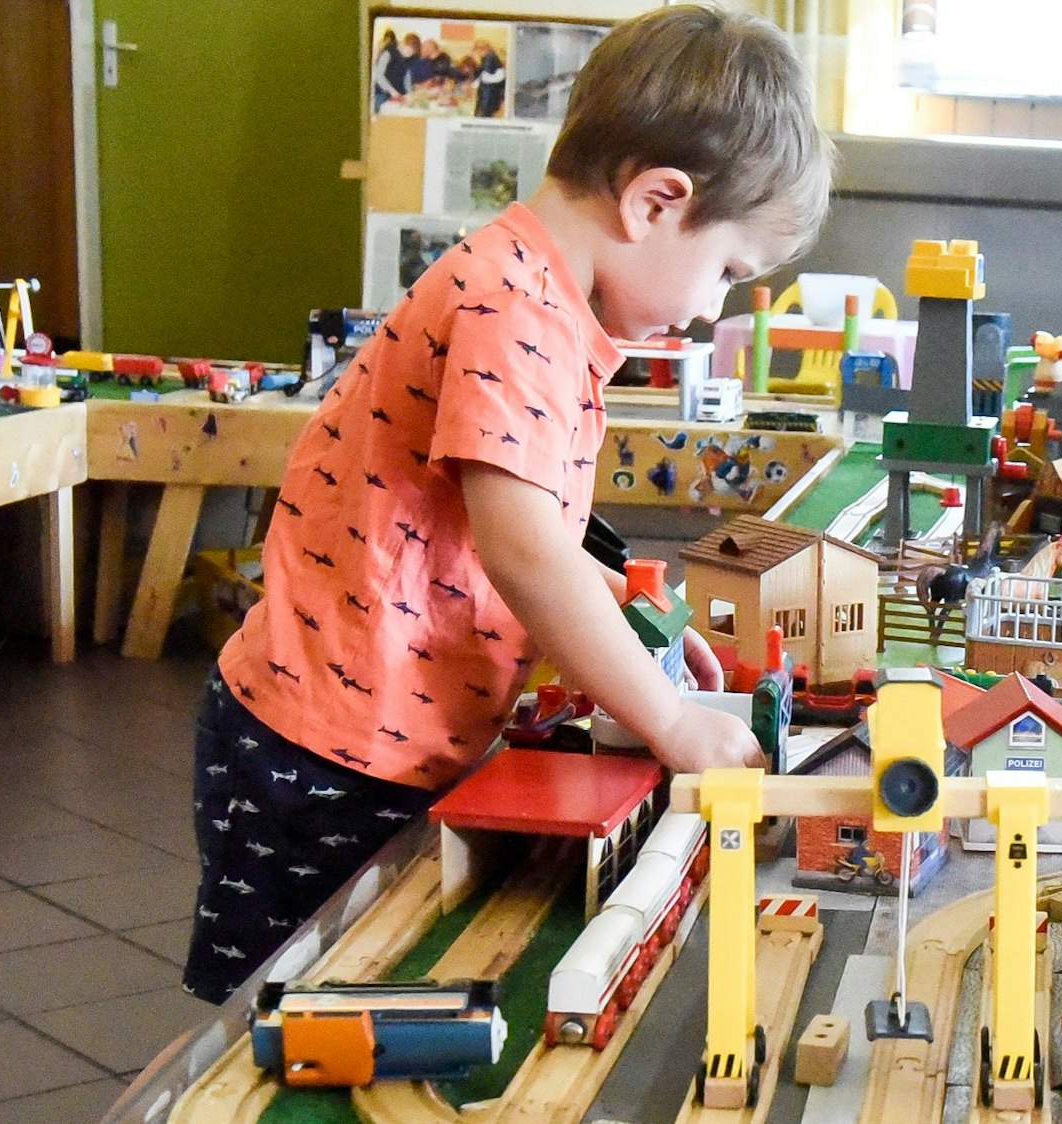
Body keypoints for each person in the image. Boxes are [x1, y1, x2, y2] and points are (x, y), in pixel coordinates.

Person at [183, 4, 834, 1003]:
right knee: (279, 1008)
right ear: (656, 201)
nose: (712, 308)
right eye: (728, 272)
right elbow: (524, 549)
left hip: (367, 728)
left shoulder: (532, 294)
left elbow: (508, 531)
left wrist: (615, 595)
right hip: (323, 746)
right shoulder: (515, 311)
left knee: (352, 981)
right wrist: (669, 719)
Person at [372, 29, 404, 112]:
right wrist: (394, 92)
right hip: (388, 94)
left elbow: (378, 75)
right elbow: (379, 75)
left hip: (385, 93)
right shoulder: (395, 53)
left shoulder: (387, 52)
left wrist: (393, 92)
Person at [473, 41, 508, 118]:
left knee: (485, 114)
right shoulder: (491, 58)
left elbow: (485, 74)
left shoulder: (489, 59)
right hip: (491, 94)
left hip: (489, 94)